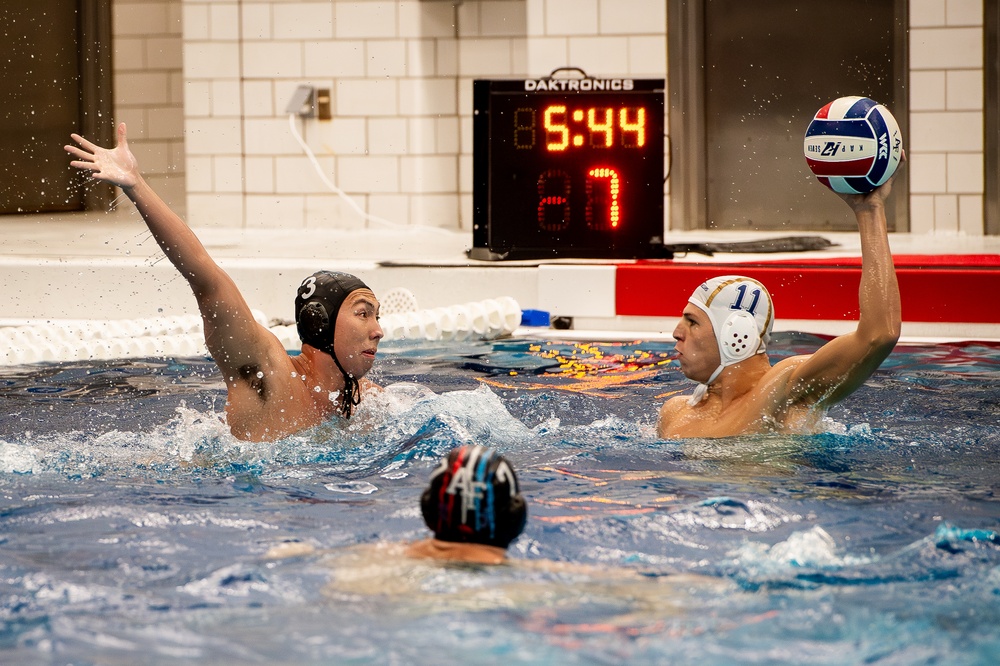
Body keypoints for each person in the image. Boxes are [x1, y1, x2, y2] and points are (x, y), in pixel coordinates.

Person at [65, 123, 383, 442]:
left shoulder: (365, 400)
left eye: (376, 315)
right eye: (363, 313)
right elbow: (207, 278)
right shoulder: (267, 370)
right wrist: (136, 186)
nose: (378, 330)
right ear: (320, 322)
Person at [658, 168, 903, 439]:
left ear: (736, 334)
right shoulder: (675, 413)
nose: (676, 332)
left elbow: (879, 335)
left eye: (692, 322)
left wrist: (869, 211)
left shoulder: (784, 392)